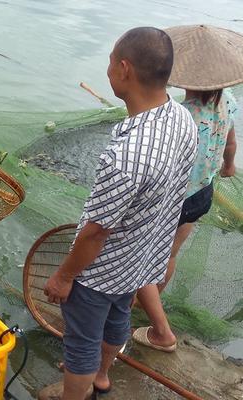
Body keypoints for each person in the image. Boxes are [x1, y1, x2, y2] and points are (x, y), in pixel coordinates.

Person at [39, 27, 197, 400]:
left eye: (110, 61)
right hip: (141, 261)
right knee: (118, 321)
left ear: (124, 69)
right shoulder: (182, 119)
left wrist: (64, 276)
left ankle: (77, 389)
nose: (107, 68)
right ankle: (103, 377)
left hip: (100, 273)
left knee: (80, 347)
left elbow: (96, 232)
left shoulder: (124, 157)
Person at [134, 27, 239, 352]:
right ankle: (145, 307)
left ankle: (161, 333)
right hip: (201, 197)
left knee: (139, 261)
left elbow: (157, 165)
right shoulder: (230, 101)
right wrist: (227, 166)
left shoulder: (179, 115)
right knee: (170, 254)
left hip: (171, 200)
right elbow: (230, 145)